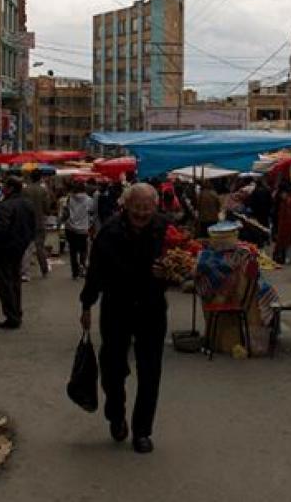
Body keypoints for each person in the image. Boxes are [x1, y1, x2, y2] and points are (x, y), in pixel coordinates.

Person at [79, 184, 168, 454]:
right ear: (126, 205)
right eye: (137, 207)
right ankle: (116, 413)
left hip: (151, 307)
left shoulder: (164, 229)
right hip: (117, 307)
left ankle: (142, 431)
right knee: (112, 369)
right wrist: (86, 305)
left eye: (147, 207)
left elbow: (180, 263)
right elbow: (94, 271)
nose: (142, 213)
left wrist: (168, 271)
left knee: (150, 372)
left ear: (155, 206)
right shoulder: (109, 232)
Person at [0, 177, 37, 329]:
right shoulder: (27, 204)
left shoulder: (6, 206)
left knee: (5, 284)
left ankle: (12, 316)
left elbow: (1, 230)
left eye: (4, 186)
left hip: (3, 249)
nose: (2, 189)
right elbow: (32, 228)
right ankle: (16, 313)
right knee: (14, 281)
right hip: (18, 249)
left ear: (11, 188)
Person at [21, 171, 52, 282]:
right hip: (40, 222)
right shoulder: (43, 190)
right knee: (40, 247)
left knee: (26, 248)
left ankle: (25, 273)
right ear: (40, 178)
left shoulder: (24, 190)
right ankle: (44, 269)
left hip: (27, 222)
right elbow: (47, 208)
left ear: (30, 178)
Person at [62, 183, 97, 279]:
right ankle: (82, 266)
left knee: (73, 251)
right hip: (83, 229)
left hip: (70, 227)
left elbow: (66, 212)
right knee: (83, 249)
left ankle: (75, 272)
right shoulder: (89, 200)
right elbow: (91, 213)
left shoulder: (70, 198)